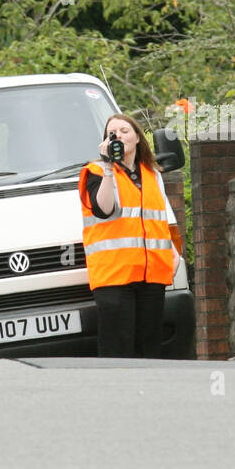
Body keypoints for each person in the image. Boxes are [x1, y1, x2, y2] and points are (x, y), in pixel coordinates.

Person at [78, 113, 183, 358]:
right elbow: (103, 209)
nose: (118, 136)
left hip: (152, 275)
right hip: (115, 277)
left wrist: (174, 254)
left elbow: (161, 219)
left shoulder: (152, 174)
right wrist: (107, 168)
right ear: (106, 142)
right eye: (112, 133)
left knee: (150, 348)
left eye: (124, 130)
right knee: (118, 349)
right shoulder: (95, 171)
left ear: (137, 137)